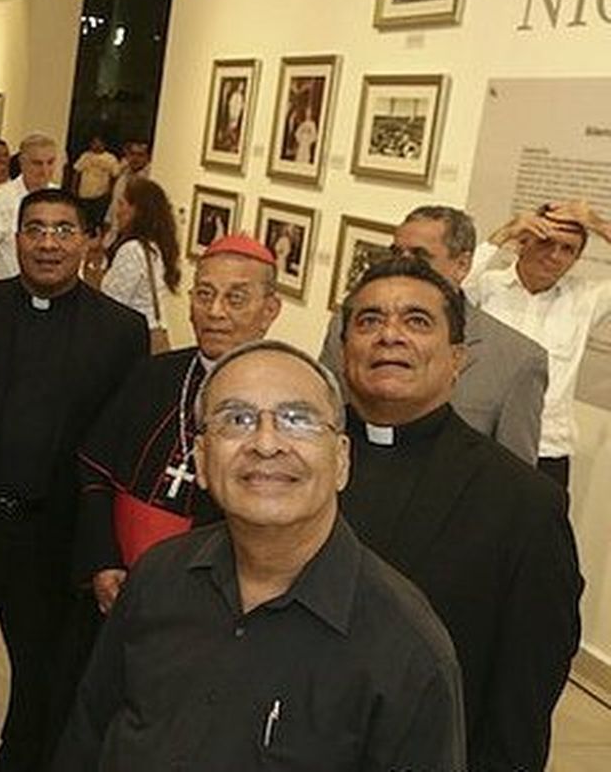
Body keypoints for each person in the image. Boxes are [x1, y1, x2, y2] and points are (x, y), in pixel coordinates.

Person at [56, 339, 466, 770]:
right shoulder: (157, 577)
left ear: (342, 459)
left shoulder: (407, 650)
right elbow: (88, 736)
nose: (266, 443)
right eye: (237, 419)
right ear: (201, 458)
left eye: (298, 420)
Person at [0, 189, 148, 772]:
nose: (48, 243)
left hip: (51, 537)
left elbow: (116, 449)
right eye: (35, 229)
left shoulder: (121, 331)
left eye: (63, 230)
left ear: (87, 240)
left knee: (41, 682)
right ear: (16, 237)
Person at [337, 256, 583, 772]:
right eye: (369, 320)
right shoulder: (290, 470)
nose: (390, 335)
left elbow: (521, 704)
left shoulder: (523, 506)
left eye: (417, 321)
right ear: (344, 354)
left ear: (457, 360)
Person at [78, 233, 282, 614]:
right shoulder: (153, 375)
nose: (215, 311)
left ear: (270, 310)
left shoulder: (283, 399)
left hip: (209, 603)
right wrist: (104, 560)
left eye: (235, 298)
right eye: (204, 294)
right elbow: (93, 469)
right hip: (115, 586)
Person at [320, 205, 547, 463]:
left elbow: (514, 477)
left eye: (419, 256)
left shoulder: (517, 360)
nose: (402, 265)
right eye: (396, 253)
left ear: (462, 265)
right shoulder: (347, 326)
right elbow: (321, 413)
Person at [464, 200, 611, 489]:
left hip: (548, 449)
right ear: (522, 243)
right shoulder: (486, 286)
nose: (555, 256)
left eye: (568, 249)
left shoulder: (585, 299)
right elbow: (444, 287)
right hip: (479, 440)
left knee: (537, 534)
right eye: (546, 242)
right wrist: (503, 233)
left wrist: (599, 225)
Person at [0, 133, 62, 280]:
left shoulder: (61, 199)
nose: (45, 170)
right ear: (22, 163)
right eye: (37, 163)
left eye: (50, 162)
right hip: (8, 291)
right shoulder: (1, 200)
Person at [98, 177, 180, 336]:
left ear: (137, 211)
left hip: (131, 336)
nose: (117, 211)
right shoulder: (157, 247)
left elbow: (111, 304)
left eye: (122, 204)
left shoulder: (132, 250)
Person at [102, 140, 149, 242]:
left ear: (147, 157)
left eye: (140, 155)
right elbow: (113, 204)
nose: (135, 158)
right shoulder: (122, 177)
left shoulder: (149, 181)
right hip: (114, 234)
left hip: (133, 236)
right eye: (132, 154)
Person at [71, 135, 119, 234]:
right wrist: (73, 189)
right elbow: (77, 172)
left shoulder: (110, 158)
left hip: (100, 194)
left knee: (97, 220)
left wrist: (111, 191)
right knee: (84, 218)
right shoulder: (85, 156)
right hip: (84, 193)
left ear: (103, 144)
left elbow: (115, 176)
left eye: (98, 143)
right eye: (94, 143)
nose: (96, 145)